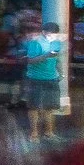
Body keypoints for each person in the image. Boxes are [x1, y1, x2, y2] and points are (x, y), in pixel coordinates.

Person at [22, 12, 67, 140]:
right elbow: (30, 60)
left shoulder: (56, 43)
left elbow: (58, 59)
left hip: (52, 78)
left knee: (50, 107)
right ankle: (34, 133)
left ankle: (49, 133)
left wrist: (61, 73)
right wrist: (47, 55)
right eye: (50, 33)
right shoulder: (35, 42)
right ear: (43, 32)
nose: (52, 36)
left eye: (54, 34)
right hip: (35, 78)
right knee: (34, 107)